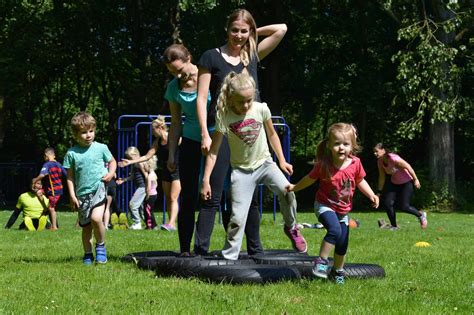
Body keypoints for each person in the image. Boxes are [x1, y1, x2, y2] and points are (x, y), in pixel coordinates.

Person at [195, 9, 288, 256]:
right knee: (213, 193)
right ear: (226, 30)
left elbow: (282, 29)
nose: (238, 35)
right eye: (234, 30)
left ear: (250, 32)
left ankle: (255, 249)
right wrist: (205, 132)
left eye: (244, 31)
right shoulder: (211, 57)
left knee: (251, 197)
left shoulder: (252, 55)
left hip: (251, 134)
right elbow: (201, 97)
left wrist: (254, 33)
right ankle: (201, 251)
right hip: (222, 131)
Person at [200, 71, 307, 260]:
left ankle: (291, 227)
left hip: (265, 164)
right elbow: (214, 151)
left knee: (288, 193)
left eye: (249, 100)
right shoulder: (224, 117)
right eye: (241, 101)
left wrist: (281, 160)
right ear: (230, 98)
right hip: (241, 172)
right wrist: (206, 179)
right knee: (237, 219)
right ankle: (229, 256)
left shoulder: (260, 109)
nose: (246, 105)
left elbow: (272, 134)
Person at [287, 123, 379, 284]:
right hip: (324, 206)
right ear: (329, 145)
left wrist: (371, 194)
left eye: (346, 144)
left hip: (343, 210)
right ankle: (321, 261)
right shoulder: (324, 164)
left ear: (352, 146)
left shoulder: (355, 163)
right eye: (337, 144)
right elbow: (309, 178)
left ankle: (338, 271)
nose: (341, 148)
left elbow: (360, 180)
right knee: (334, 230)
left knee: (342, 243)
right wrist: (295, 187)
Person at [63, 112, 116, 265]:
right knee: (86, 227)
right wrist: (72, 196)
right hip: (81, 195)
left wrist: (111, 173)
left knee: (96, 218)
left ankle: (100, 246)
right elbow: (70, 177)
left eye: (91, 131)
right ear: (75, 134)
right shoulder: (71, 153)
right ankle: (87, 254)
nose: (88, 135)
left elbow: (112, 162)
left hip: (98, 189)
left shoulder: (101, 148)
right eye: (84, 132)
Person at [119, 117, 181, 231]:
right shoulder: (157, 142)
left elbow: (186, 149)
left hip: (177, 170)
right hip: (166, 171)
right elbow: (147, 156)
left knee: (173, 197)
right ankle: (171, 223)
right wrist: (131, 161)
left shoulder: (174, 137)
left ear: (160, 128)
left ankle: (171, 223)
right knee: (168, 198)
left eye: (153, 129)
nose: (152, 132)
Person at [373, 143, 427, 230]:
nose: (375, 153)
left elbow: (408, 167)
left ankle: (421, 215)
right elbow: (382, 177)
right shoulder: (380, 162)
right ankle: (394, 226)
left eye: (376, 151)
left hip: (406, 182)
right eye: (374, 152)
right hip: (394, 183)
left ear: (383, 150)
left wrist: (415, 179)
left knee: (404, 207)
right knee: (388, 204)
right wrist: (379, 192)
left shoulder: (394, 158)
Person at [31, 147, 67, 230]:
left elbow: (42, 174)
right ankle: (45, 208)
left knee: (52, 208)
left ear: (46, 156)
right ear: (54, 155)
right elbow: (65, 175)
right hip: (52, 189)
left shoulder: (47, 164)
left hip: (54, 191)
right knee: (39, 193)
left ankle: (54, 227)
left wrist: (35, 180)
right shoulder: (59, 165)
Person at [116, 146, 147, 230]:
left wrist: (149, 187)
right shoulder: (134, 165)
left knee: (133, 204)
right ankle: (148, 224)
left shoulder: (140, 163)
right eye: (128, 158)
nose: (129, 159)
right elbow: (132, 176)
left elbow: (146, 175)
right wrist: (124, 180)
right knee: (141, 207)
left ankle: (137, 223)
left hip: (143, 187)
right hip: (140, 187)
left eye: (131, 157)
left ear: (136, 155)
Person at [143, 156, 159, 230]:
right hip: (154, 194)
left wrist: (147, 195)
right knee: (150, 210)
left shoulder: (149, 176)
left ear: (149, 166)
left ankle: (150, 225)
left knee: (148, 210)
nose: (144, 168)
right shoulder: (154, 174)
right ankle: (153, 224)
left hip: (150, 195)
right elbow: (156, 185)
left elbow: (148, 188)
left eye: (144, 166)